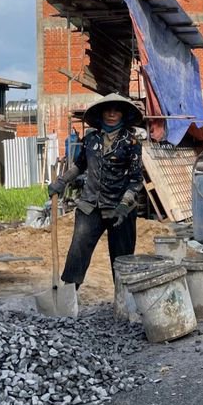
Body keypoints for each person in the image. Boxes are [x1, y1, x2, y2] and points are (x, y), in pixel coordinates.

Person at [47, 93, 144, 289]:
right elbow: (79, 166)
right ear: (101, 114)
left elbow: (136, 180)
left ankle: (122, 300)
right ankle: (68, 296)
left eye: (116, 111)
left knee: (122, 259)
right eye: (108, 111)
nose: (111, 114)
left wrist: (124, 204)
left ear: (123, 115)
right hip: (90, 205)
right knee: (77, 252)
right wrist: (61, 182)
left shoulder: (131, 143)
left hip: (120, 208)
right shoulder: (91, 139)